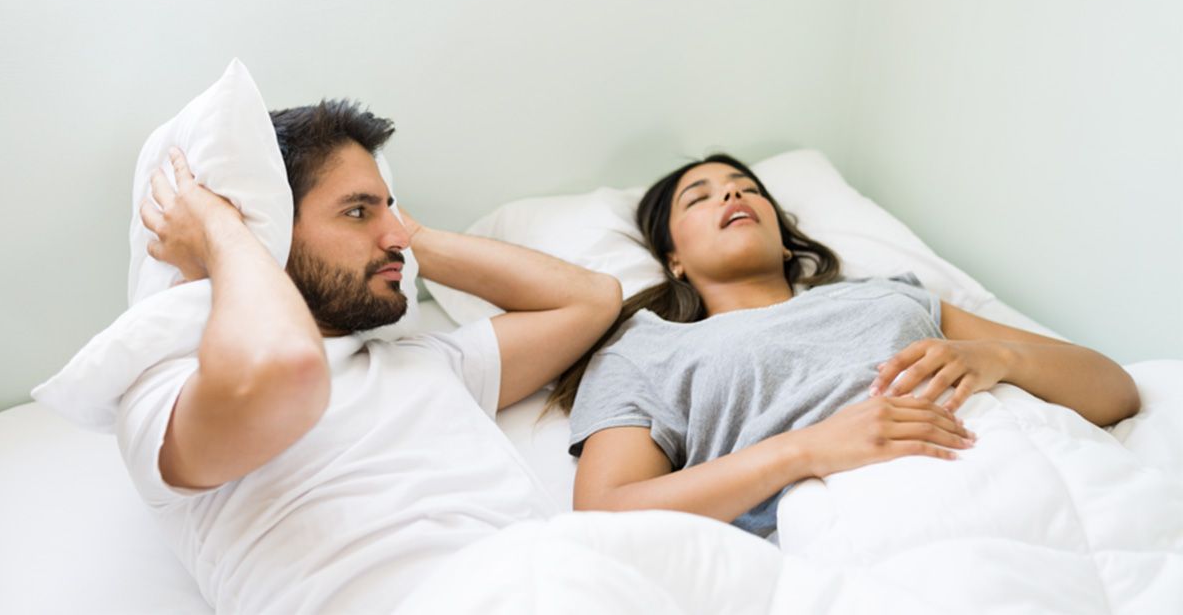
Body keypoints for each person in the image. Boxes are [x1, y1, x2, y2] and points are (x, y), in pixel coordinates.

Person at [122, 100, 621, 613]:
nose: (397, 237)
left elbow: (592, 300)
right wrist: (222, 236)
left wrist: (416, 238)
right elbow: (287, 373)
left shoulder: (425, 362)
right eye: (357, 211)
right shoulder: (161, 397)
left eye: (391, 210)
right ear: (268, 230)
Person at [552, 153, 1140, 538]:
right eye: (699, 197)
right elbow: (605, 511)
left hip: (1017, 460)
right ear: (673, 258)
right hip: (862, 516)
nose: (731, 197)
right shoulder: (647, 349)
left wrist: (997, 358)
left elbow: (1117, 391)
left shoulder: (889, 295)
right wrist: (803, 450)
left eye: (747, 189)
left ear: (785, 241)